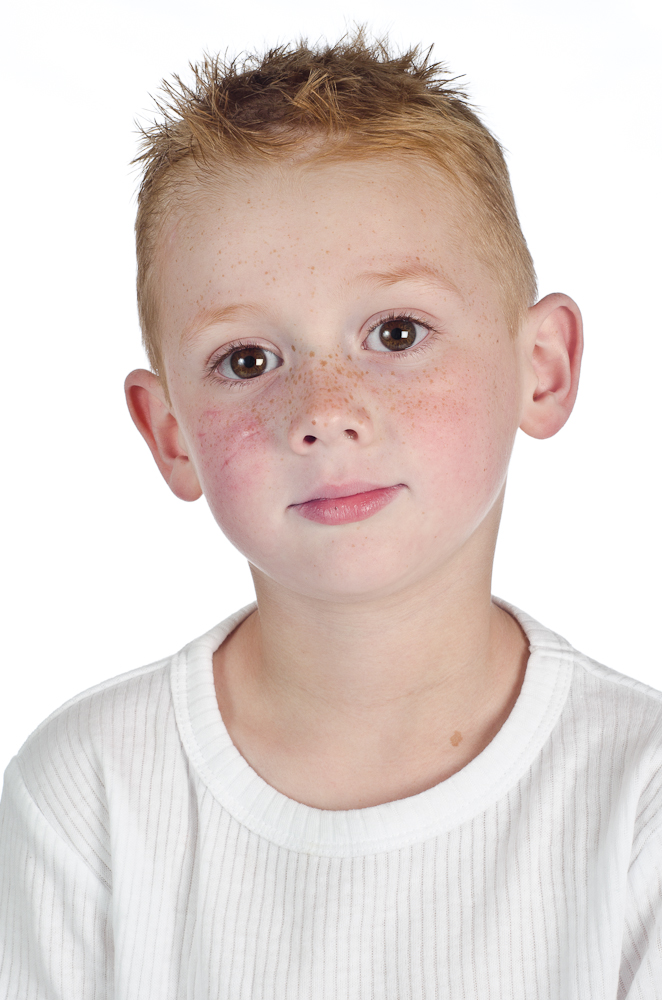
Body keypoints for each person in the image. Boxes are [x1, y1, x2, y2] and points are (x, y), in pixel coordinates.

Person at [1, 33, 660, 999]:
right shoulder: (87, 795)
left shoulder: (639, 803)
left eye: (396, 332)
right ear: (169, 432)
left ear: (542, 367)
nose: (322, 412)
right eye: (246, 360)